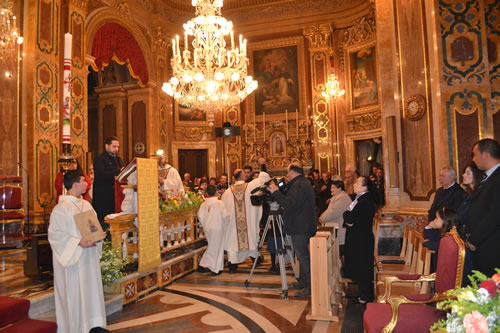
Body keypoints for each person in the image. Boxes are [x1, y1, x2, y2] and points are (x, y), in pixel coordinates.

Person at [48, 170, 108, 333]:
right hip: (73, 260)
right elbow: (55, 235)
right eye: (84, 180)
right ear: (75, 184)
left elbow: (92, 225)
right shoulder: (61, 208)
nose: (87, 183)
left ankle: (94, 325)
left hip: (88, 257)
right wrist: (77, 242)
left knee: (91, 291)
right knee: (76, 294)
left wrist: (98, 235)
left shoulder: (86, 204)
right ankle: (77, 328)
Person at [269, 162, 316, 298]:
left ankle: (308, 288)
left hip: (300, 226)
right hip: (303, 225)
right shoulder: (302, 182)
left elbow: (289, 204)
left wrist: (276, 193)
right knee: (301, 256)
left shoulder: (298, 185)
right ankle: (303, 282)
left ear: (293, 172)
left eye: (288, 172)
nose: (287, 175)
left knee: (303, 257)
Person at [221, 158, 270, 273]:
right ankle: (256, 259)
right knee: (250, 242)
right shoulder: (250, 187)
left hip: (233, 228)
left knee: (234, 246)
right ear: (243, 176)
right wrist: (262, 164)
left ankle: (233, 267)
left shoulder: (227, 192)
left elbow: (223, 211)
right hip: (248, 226)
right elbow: (264, 178)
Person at [466, 139, 500, 277]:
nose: (473, 159)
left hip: (492, 245)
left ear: (485, 154)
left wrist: (474, 239)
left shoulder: (498, 178)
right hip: (484, 244)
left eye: (475, 154)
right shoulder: (487, 177)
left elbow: (495, 213)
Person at [342, 176, 377, 304]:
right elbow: (347, 215)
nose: (354, 184)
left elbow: (350, 218)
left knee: (362, 267)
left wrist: (348, 217)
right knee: (359, 266)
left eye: (357, 183)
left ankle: (366, 296)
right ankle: (363, 294)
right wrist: (347, 217)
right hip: (358, 238)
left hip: (361, 239)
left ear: (364, 187)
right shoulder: (359, 199)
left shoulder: (365, 201)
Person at [423, 207, 472, 283]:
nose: (434, 220)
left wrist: (426, 243)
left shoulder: (452, 237)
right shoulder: (445, 233)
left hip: (456, 277)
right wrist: (429, 227)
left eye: (436, 218)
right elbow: (434, 240)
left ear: (445, 221)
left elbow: (437, 245)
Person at [197, 185, 229, 276]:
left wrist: (205, 225)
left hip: (208, 228)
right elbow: (225, 216)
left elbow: (200, 216)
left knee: (212, 246)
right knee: (218, 248)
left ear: (206, 193)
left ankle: (204, 264)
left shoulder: (203, 204)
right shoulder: (220, 203)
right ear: (216, 192)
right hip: (218, 228)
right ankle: (216, 269)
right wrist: (226, 224)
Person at [92, 136, 123, 230]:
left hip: (116, 197)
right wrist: (118, 172)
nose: (116, 149)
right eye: (114, 146)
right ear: (106, 146)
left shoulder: (118, 159)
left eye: (118, 147)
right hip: (104, 198)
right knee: (105, 225)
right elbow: (101, 175)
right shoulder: (99, 159)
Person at [318, 180, 352, 255]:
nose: (331, 189)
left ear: (339, 188)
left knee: (340, 253)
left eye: (333, 188)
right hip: (338, 226)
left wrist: (322, 218)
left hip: (340, 228)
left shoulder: (341, 198)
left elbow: (333, 212)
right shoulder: (339, 197)